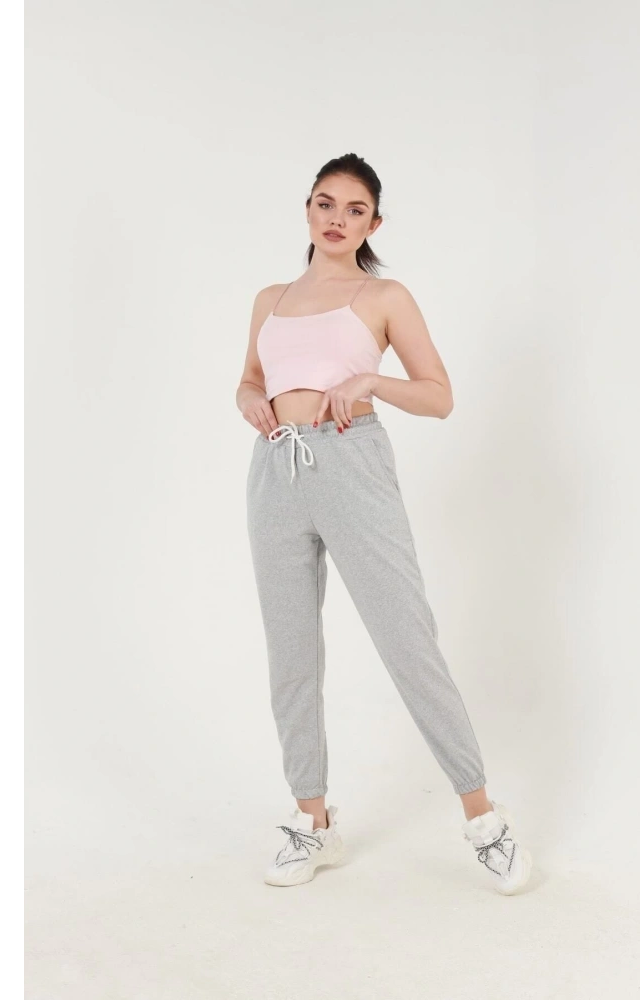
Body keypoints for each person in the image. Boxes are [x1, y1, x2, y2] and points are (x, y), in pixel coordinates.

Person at [236, 153, 532, 894]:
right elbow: (250, 379)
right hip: (275, 469)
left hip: (350, 463)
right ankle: (312, 822)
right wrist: (248, 401)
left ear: (374, 222)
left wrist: (372, 379)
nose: (337, 219)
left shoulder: (383, 296)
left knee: (407, 640)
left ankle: (484, 819)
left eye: (355, 209)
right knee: (291, 653)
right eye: (325, 203)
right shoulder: (270, 299)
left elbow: (439, 396)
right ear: (308, 208)